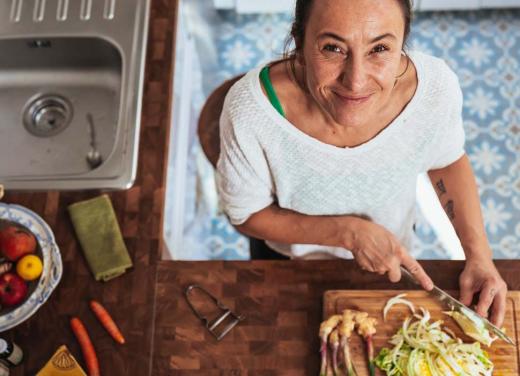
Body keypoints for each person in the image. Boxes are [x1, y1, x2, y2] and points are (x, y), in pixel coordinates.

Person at [215, 0, 508, 326]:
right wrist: (349, 233)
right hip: (289, 262)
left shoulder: (435, 90)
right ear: (298, 43)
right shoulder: (250, 112)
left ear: (402, 43)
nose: (355, 82)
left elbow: (447, 160)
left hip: (389, 257)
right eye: (333, 48)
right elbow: (246, 215)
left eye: (379, 48)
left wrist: (480, 256)